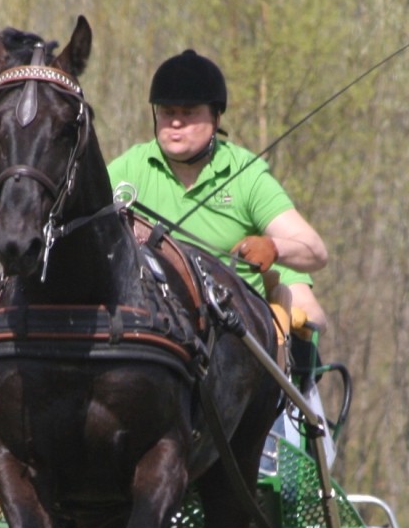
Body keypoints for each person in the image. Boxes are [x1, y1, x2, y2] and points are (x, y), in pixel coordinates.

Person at [105, 48, 333, 337]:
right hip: (153, 326)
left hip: (235, 331)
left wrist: (274, 248)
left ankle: (306, 382)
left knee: (308, 314)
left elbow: (316, 251)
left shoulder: (246, 174)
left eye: (188, 113)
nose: (175, 122)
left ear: (216, 117)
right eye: (167, 112)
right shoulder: (127, 170)